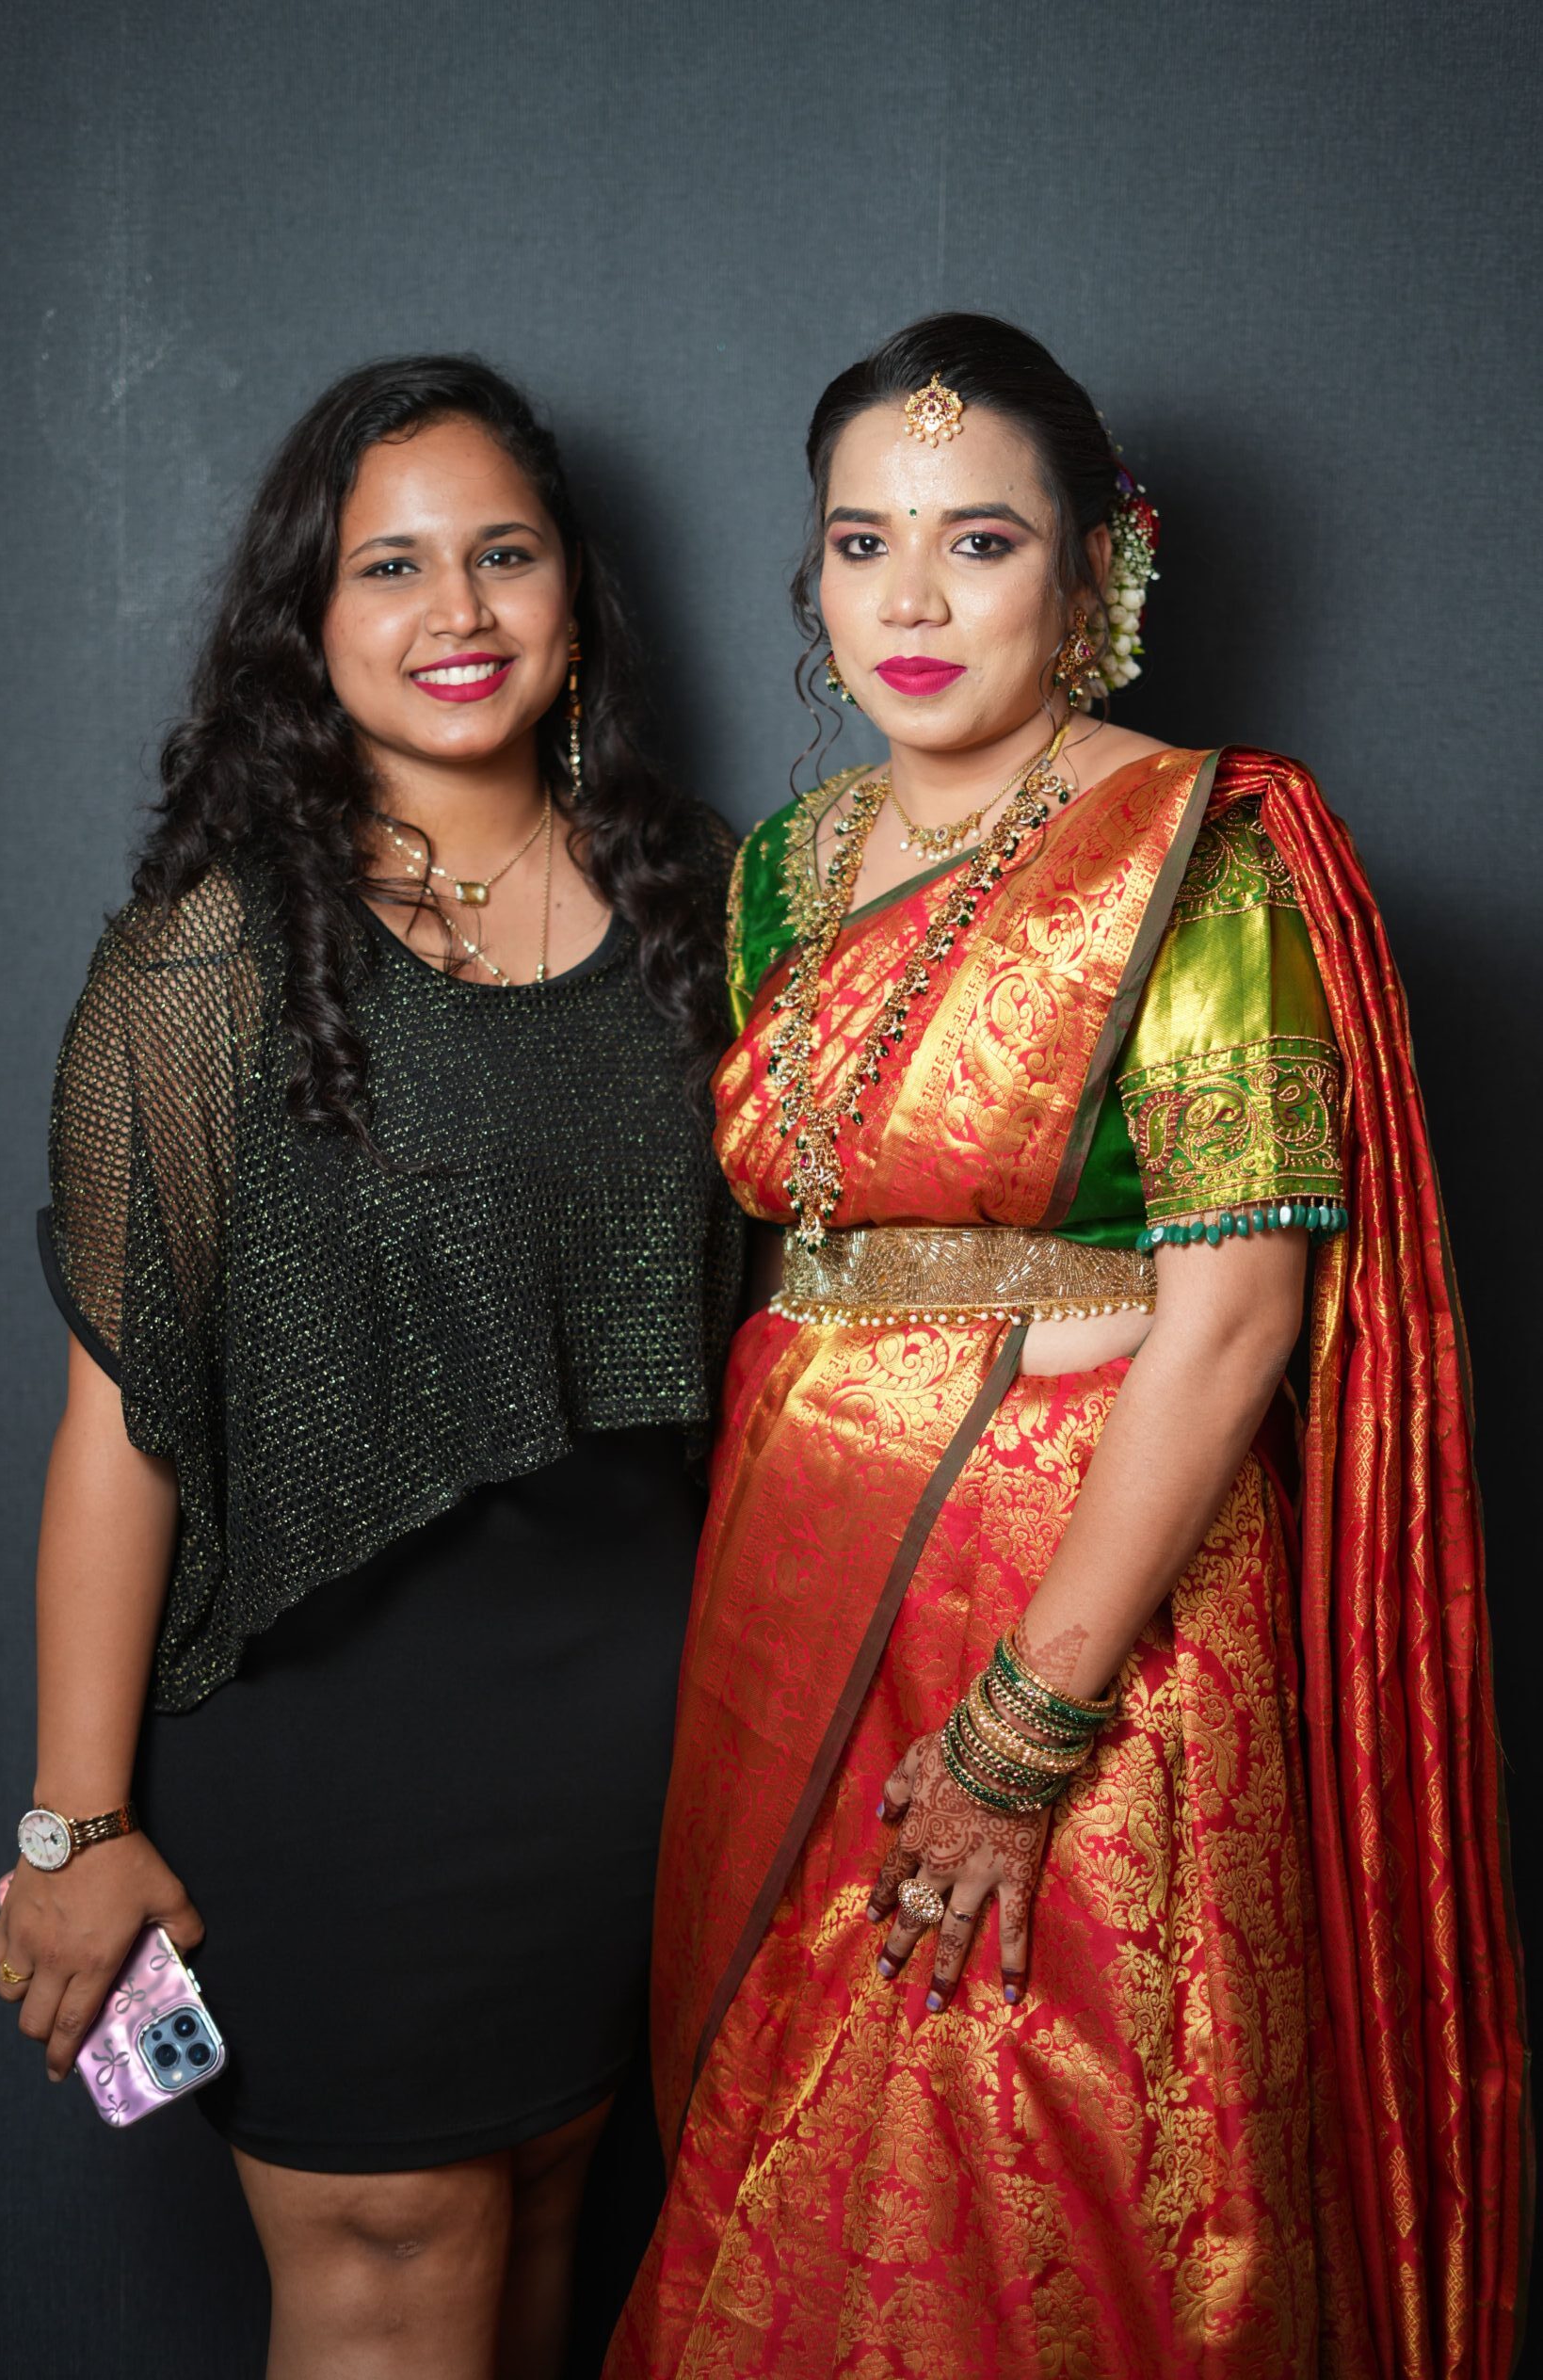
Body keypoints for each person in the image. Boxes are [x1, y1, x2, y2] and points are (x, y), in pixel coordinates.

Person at [609, 314, 1527, 2377]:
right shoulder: (781, 870)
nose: (911, 601)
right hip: (799, 1590)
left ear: (1093, 570)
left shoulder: (1201, 853)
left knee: (1024, 2182)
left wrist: (1030, 1722)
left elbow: (1236, 1314)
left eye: (979, 541)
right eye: (862, 542)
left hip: (1081, 1619)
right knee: (780, 2169)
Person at [0, 355, 741, 2380]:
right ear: (306, 623)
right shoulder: (208, 957)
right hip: (331, 1756)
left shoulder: (706, 897)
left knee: (552, 2237)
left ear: (574, 592)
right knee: (394, 2261)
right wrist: (75, 1824)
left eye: (504, 553)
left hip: (632, 1753)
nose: (456, 611)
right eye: (389, 566)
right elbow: (118, 1423)